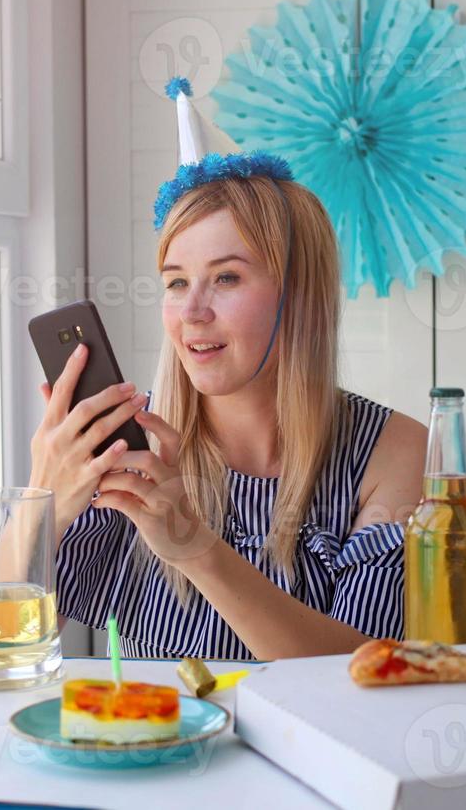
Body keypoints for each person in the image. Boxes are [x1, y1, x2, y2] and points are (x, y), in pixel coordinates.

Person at [29, 78, 426, 661]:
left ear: (298, 295)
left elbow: (364, 675)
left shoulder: (393, 453)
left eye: (227, 278)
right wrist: (43, 501)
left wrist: (194, 547)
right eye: (176, 283)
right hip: (157, 751)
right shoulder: (131, 454)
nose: (192, 313)